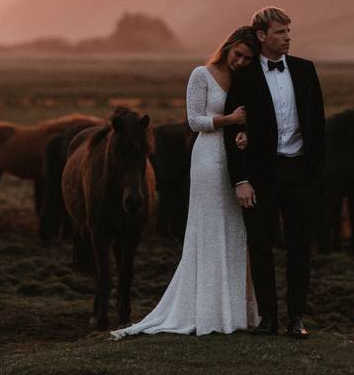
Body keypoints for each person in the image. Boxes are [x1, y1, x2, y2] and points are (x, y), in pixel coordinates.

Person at [110, 26, 260, 338]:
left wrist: (244, 133)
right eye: (238, 55)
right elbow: (194, 121)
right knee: (207, 227)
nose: (241, 61)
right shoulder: (201, 74)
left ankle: (232, 309)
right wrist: (231, 121)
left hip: (233, 156)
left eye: (248, 58)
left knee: (233, 229)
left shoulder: (242, 79)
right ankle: (205, 308)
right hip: (207, 157)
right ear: (228, 46)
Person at [223, 7, 326, 339]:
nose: (287, 38)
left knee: (299, 248)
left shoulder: (305, 70)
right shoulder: (245, 76)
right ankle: (268, 317)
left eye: (288, 32)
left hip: (300, 173)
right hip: (261, 175)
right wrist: (240, 179)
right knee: (261, 245)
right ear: (261, 36)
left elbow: (318, 126)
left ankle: (295, 319)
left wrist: (316, 173)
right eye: (280, 32)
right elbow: (232, 132)